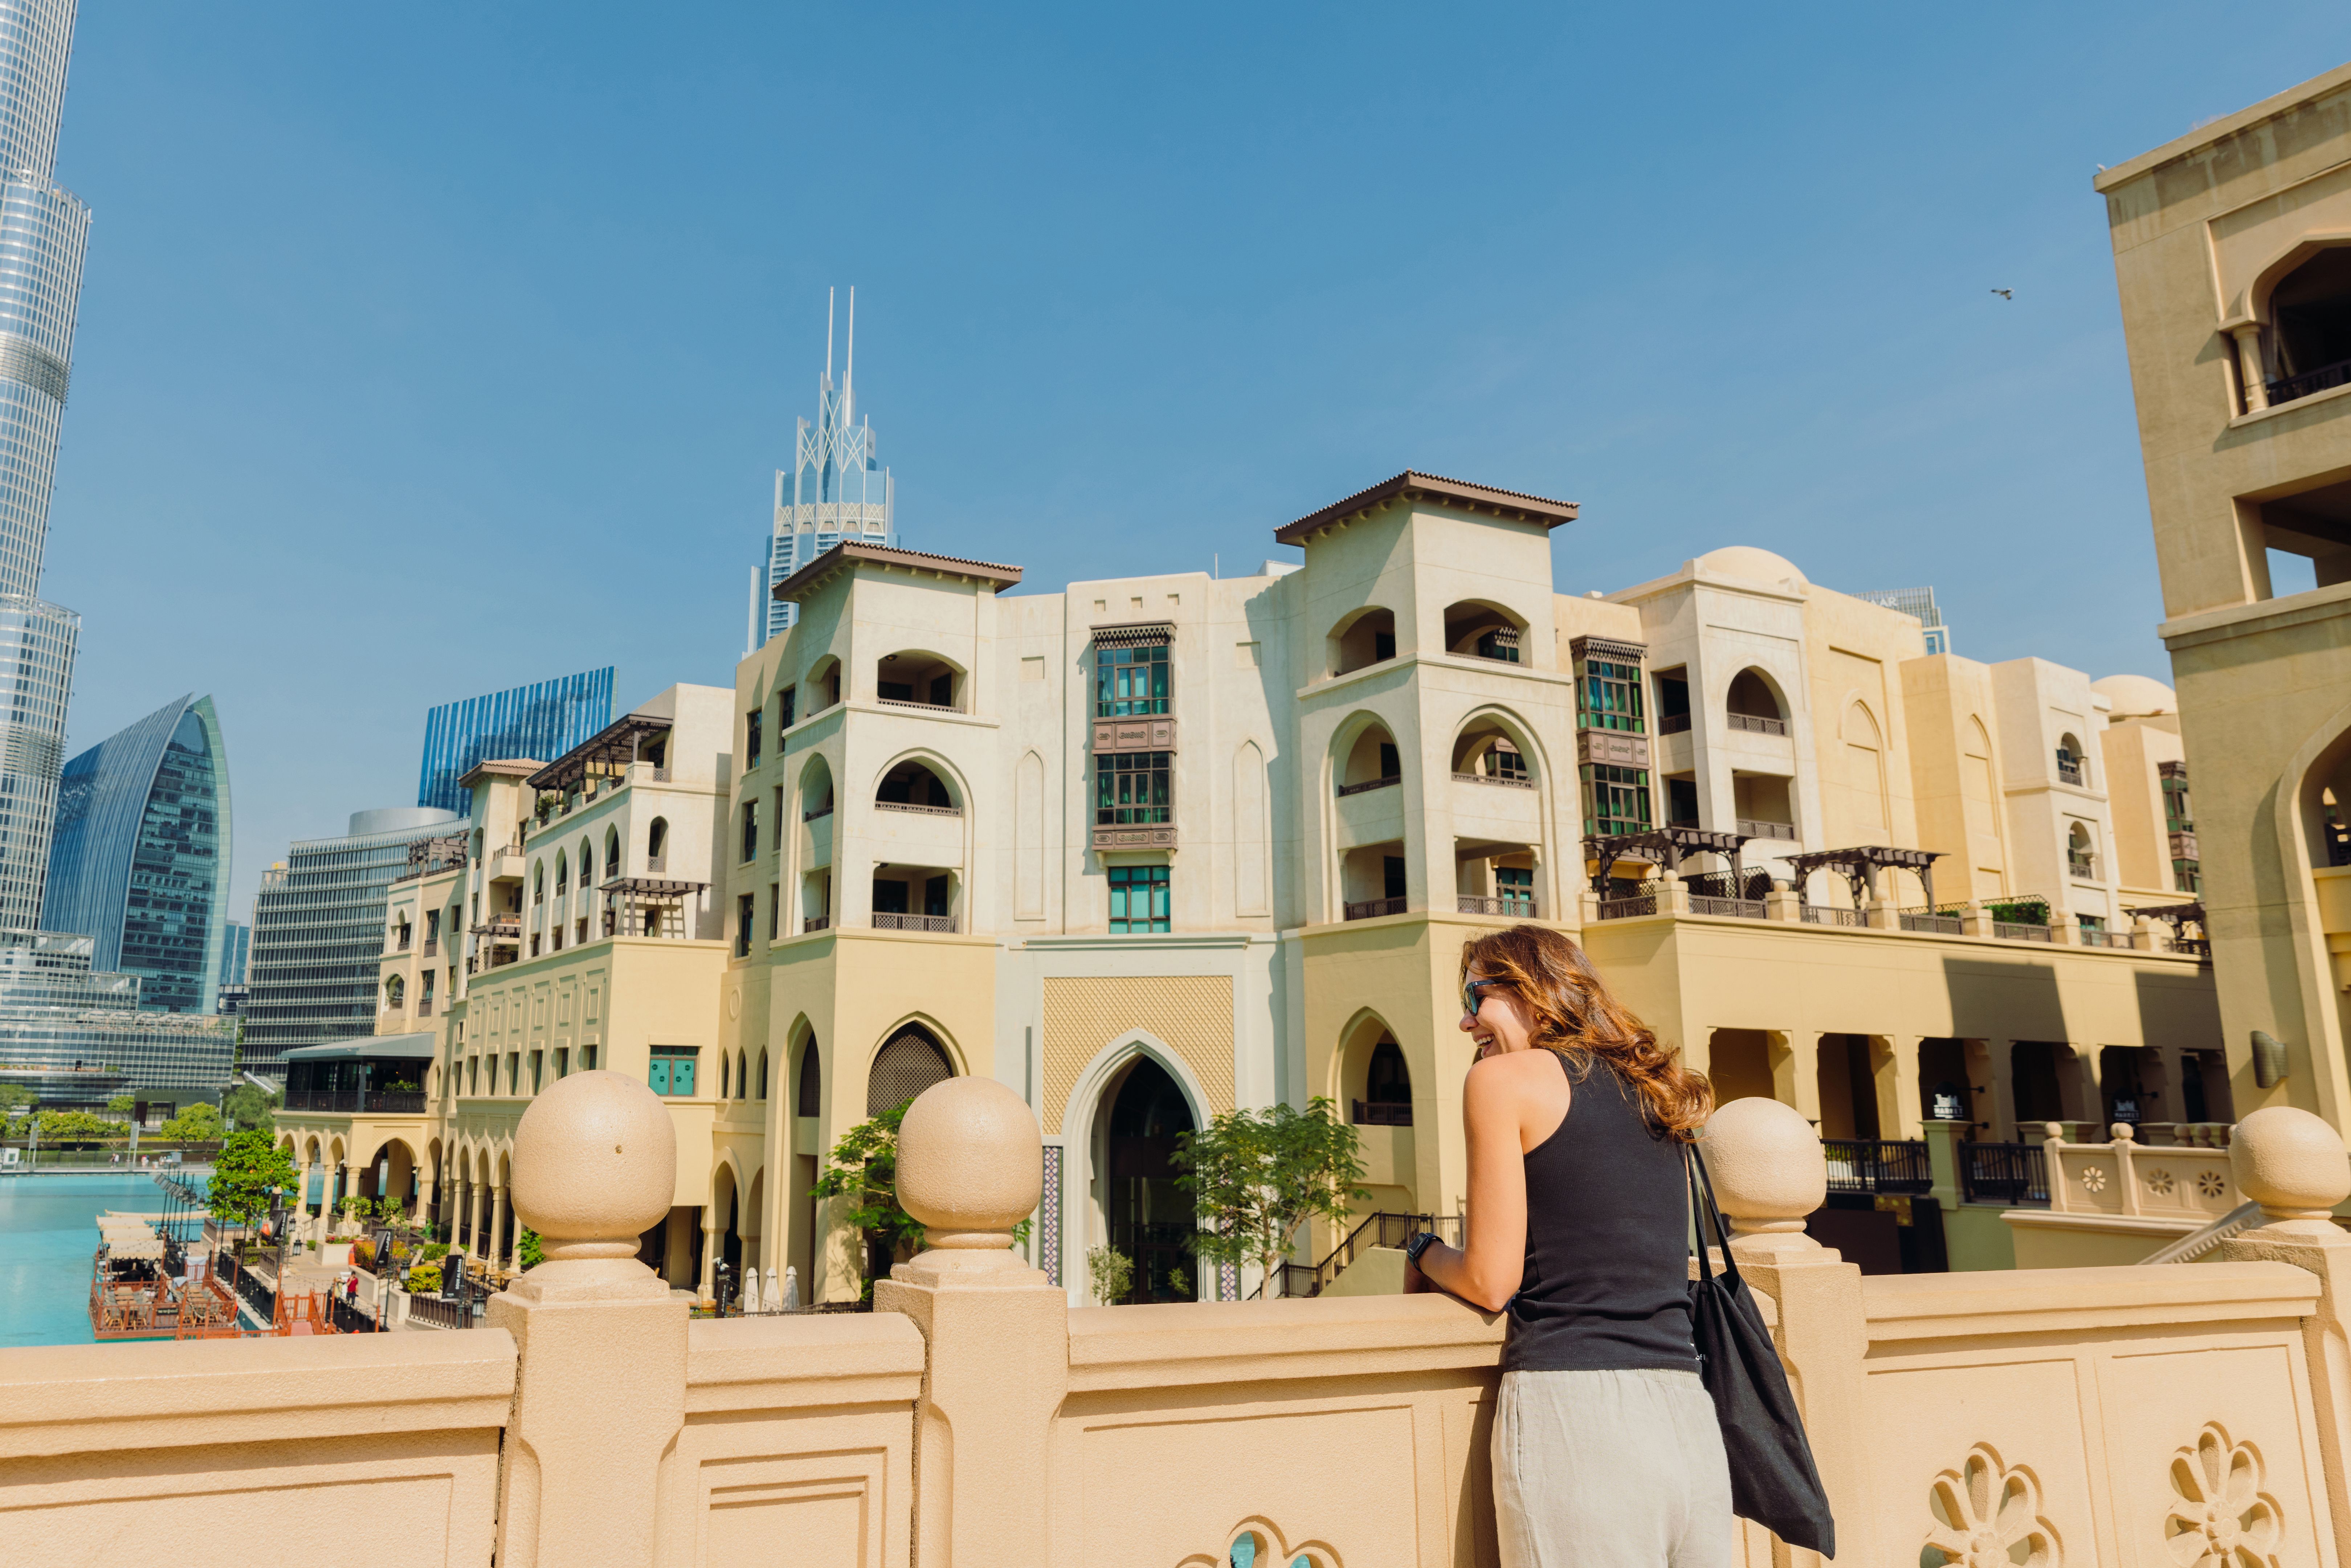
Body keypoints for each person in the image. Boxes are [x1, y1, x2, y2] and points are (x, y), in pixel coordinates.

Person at [1402, 923, 1728, 1567]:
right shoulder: (1654, 1087)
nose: (1465, 1023)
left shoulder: (1502, 1081)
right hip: (1688, 1417)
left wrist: (1422, 1253)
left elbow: (1490, 1282)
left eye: (1473, 997)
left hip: (1577, 1421)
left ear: (1530, 991)